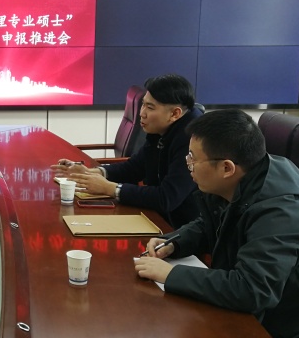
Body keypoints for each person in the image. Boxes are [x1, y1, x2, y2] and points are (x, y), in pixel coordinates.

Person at [134, 109, 299, 338]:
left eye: (193, 159)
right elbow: (211, 223)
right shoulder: (244, 181)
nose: (188, 164)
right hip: (264, 322)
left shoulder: (282, 213)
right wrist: (174, 242)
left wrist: (171, 274)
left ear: (226, 168)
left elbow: (252, 290)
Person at [53, 74, 202, 228]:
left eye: (150, 107)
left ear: (175, 114)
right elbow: (134, 168)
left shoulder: (193, 140)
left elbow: (166, 198)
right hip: (156, 217)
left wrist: (110, 188)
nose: (142, 113)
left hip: (180, 228)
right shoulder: (161, 129)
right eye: (143, 104)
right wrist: (93, 172)